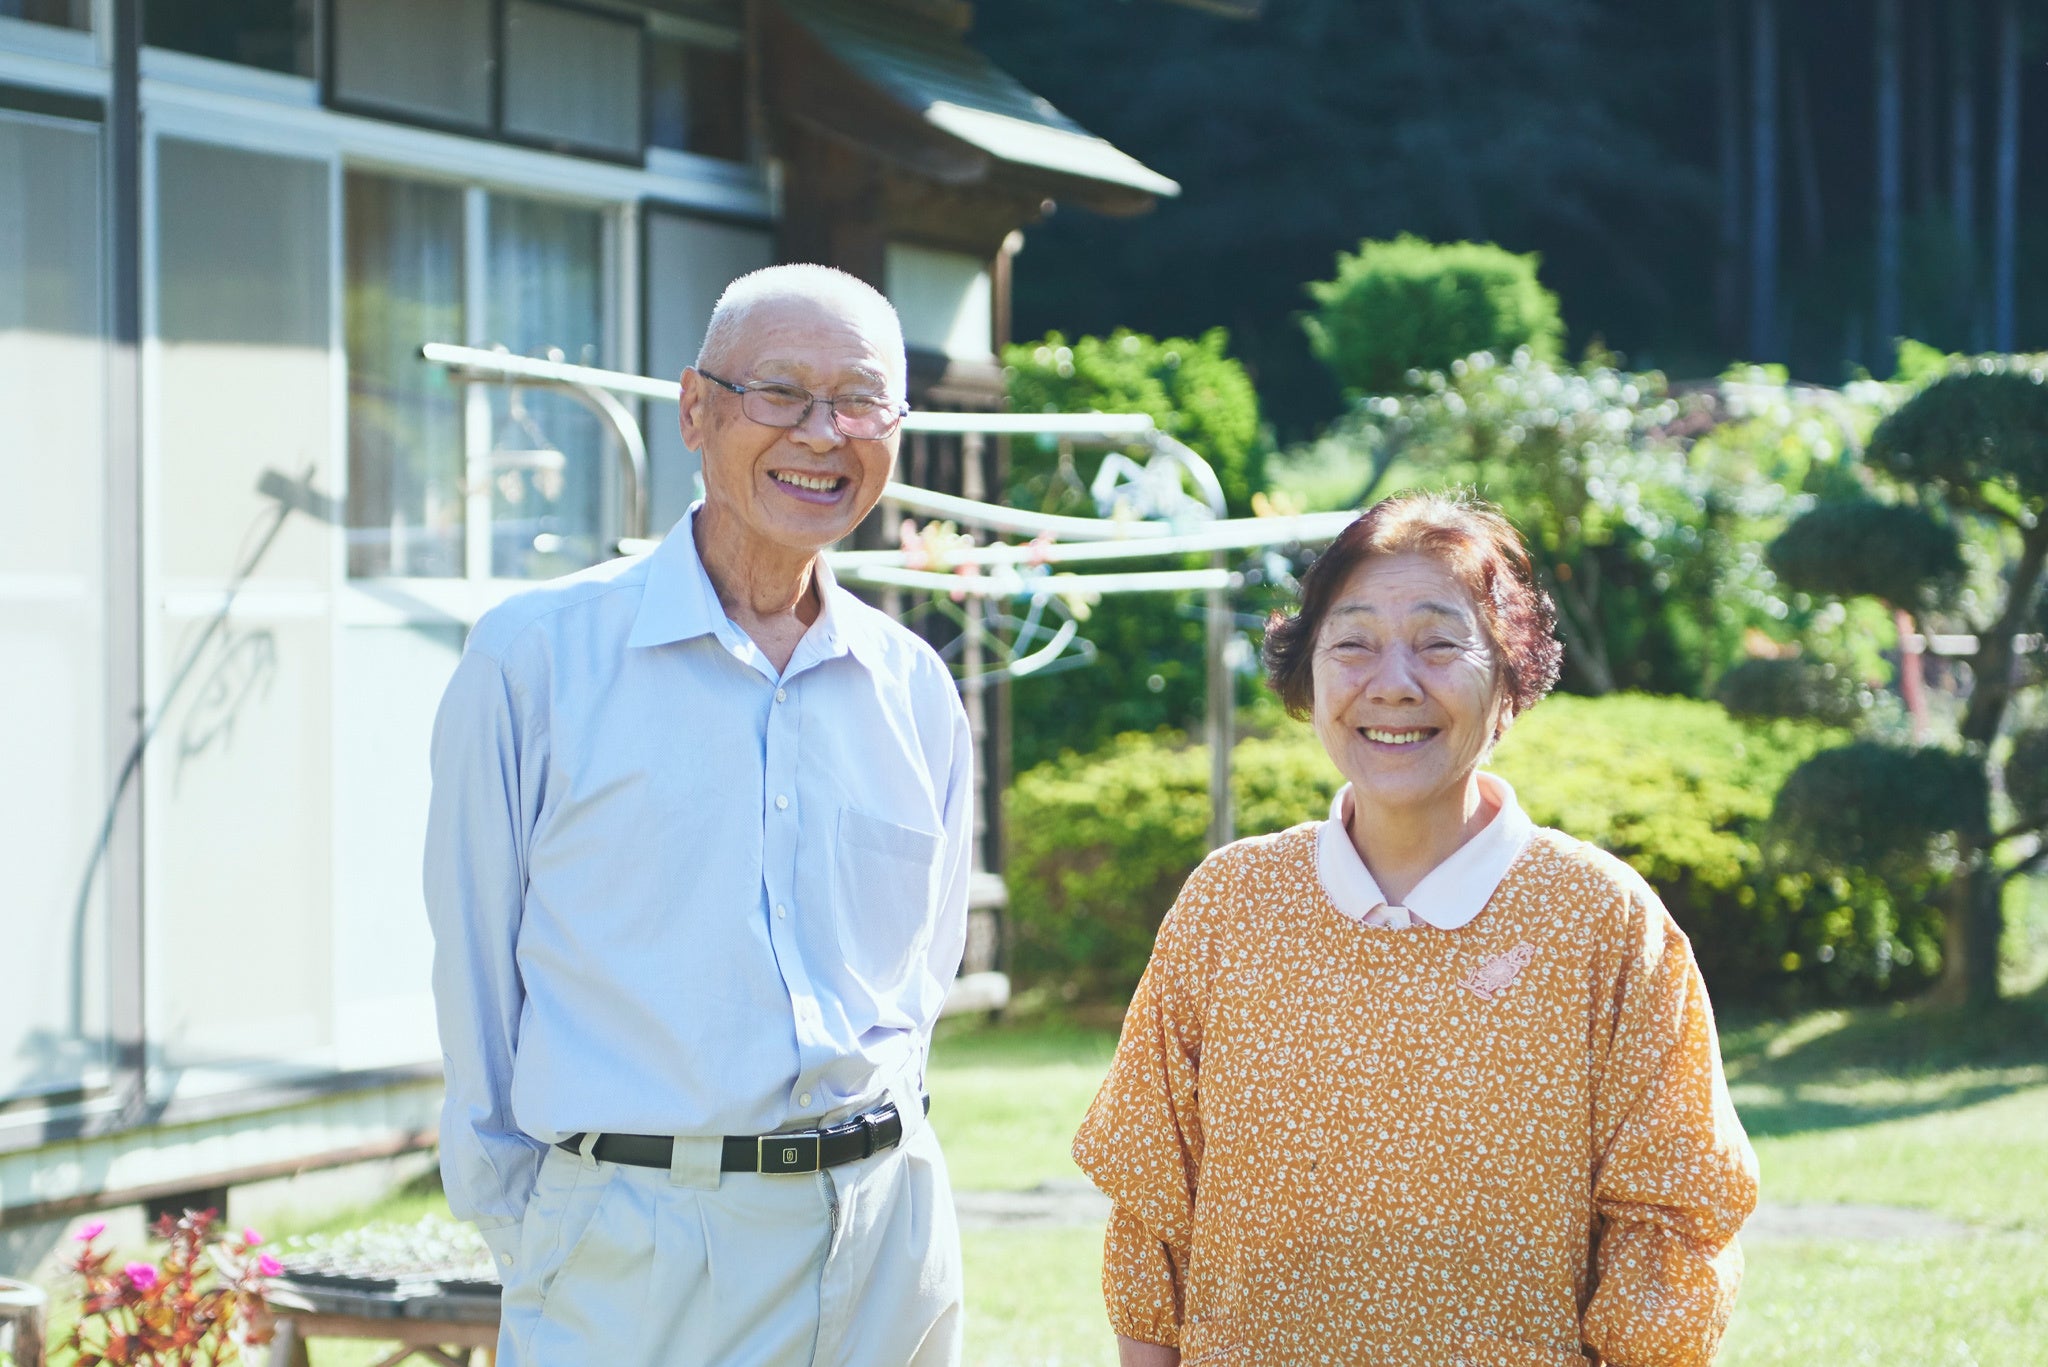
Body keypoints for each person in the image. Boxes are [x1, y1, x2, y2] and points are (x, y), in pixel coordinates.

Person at [425, 264, 972, 1366]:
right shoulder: (535, 658)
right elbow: (475, 972)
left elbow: (924, 971)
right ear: (695, 409)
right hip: (634, 1252)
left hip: (885, 1236)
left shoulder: (911, 683)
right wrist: (530, 1226)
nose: (823, 434)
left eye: (860, 402)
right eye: (781, 393)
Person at [1072, 491, 1758, 1367]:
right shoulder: (1228, 905)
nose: (1393, 683)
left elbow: (1672, 1220)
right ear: (1306, 676)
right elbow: (1152, 1205)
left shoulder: (1603, 920)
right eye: (1353, 643)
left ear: (1511, 679)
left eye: (1440, 643)